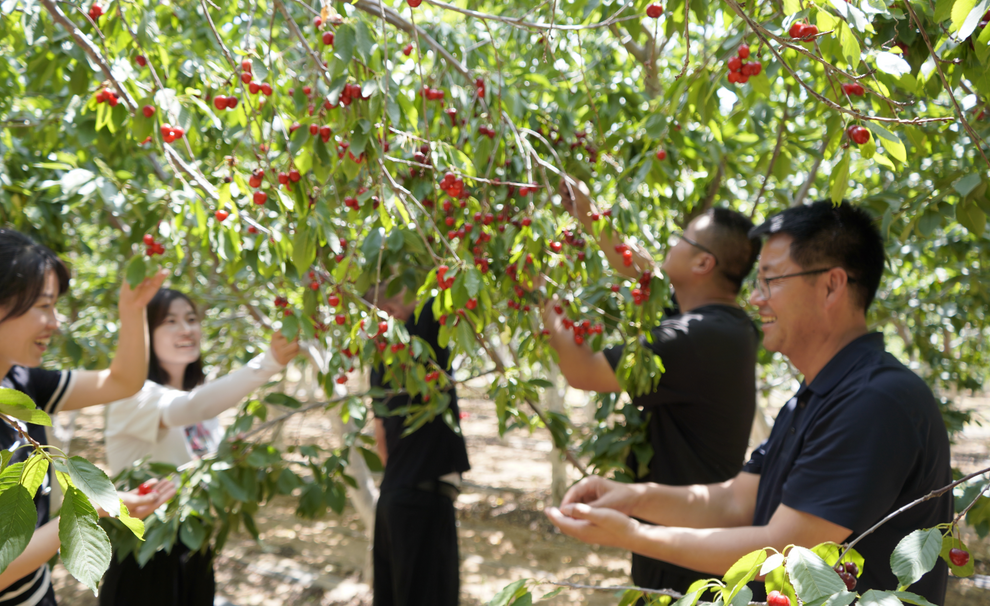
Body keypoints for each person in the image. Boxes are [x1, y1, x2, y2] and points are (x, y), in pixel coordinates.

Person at [545, 201, 952, 603]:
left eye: (770, 281)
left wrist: (632, 534)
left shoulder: (873, 401)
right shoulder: (814, 399)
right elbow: (736, 501)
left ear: (831, 285)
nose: (755, 299)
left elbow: (786, 548)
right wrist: (631, 497)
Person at [0, 228, 174, 606]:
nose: (56, 322)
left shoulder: (17, 382)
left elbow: (122, 381)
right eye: (43, 306)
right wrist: (92, 510)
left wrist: (132, 310)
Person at [542, 178, 761, 593]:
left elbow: (582, 371)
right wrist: (590, 217)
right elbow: (646, 273)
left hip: (685, 550)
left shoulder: (694, 337)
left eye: (682, 238)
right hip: (687, 534)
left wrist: (542, 291)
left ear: (703, 264)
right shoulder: (725, 324)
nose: (669, 244)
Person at [99, 288, 300, 606]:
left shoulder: (200, 397)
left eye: (191, 319)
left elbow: (202, 454)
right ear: (146, 333)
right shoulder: (133, 396)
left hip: (194, 545)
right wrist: (269, 362)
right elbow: (191, 407)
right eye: (171, 321)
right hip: (144, 548)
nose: (186, 329)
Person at [368, 284, 471, 606]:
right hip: (421, 503)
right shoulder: (420, 331)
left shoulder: (380, 360)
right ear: (396, 309)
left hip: (394, 500)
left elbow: (381, 437)